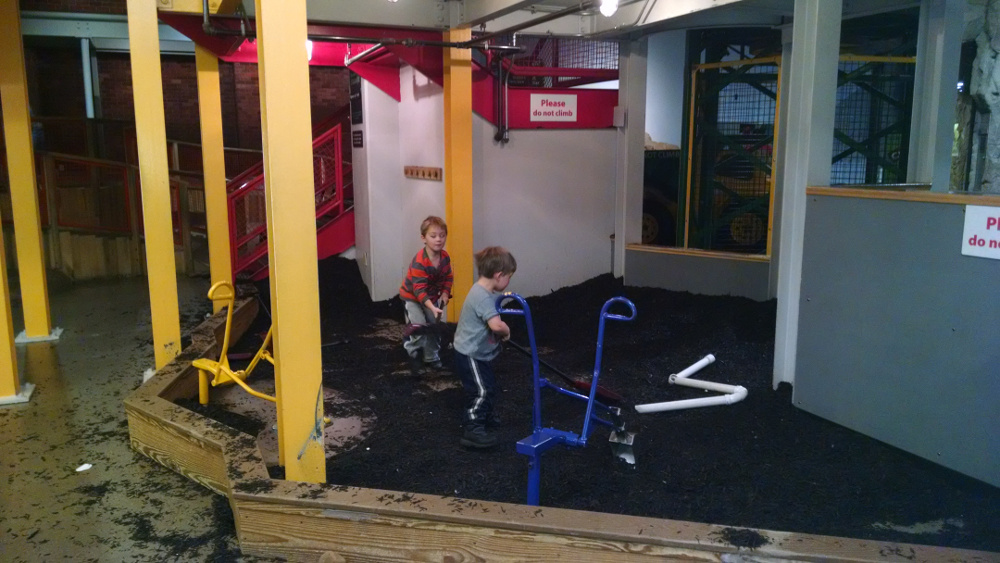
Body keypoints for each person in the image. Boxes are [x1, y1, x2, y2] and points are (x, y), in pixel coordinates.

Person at [452, 246, 517, 448]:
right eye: (509, 277)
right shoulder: (482, 297)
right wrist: (506, 331)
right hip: (470, 353)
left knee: (488, 385)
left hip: (477, 352)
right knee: (481, 390)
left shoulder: (481, 291)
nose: (508, 282)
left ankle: (485, 415)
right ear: (498, 275)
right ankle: (473, 429)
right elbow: (496, 325)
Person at [399, 216, 453, 374]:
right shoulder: (419, 262)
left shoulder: (445, 257)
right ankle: (414, 354)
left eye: (442, 235)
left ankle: (431, 357)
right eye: (433, 236)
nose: (438, 239)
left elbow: (448, 277)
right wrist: (433, 308)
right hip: (412, 298)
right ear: (423, 238)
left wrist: (445, 293)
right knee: (419, 326)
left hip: (431, 297)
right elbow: (419, 291)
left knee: (434, 326)